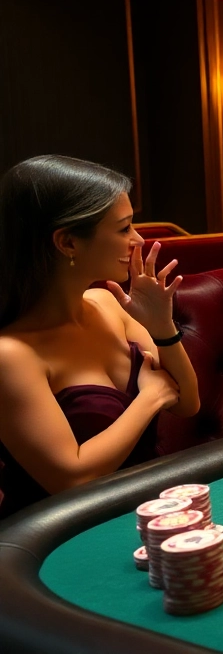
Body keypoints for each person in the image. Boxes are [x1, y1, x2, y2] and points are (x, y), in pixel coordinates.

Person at [0, 156, 200, 519]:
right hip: (56, 537)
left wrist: (163, 327)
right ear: (67, 243)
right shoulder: (11, 354)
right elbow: (72, 479)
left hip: (146, 509)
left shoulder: (107, 302)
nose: (138, 240)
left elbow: (187, 402)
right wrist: (150, 398)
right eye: (124, 229)